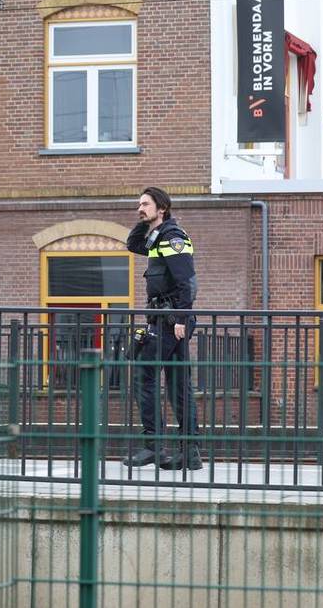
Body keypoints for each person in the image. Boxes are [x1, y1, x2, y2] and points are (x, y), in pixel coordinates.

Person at [123, 186, 203, 470]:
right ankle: (189, 452)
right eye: (138, 204)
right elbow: (132, 245)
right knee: (179, 385)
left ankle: (153, 446)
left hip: (170, 320)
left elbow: (187, 283)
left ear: (162, 208)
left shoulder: (173, 238)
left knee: (144, 375)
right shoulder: (158, 236)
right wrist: (144, 219)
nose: (139, 208)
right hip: (166, 318)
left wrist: (181, 319)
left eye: (145, 204)